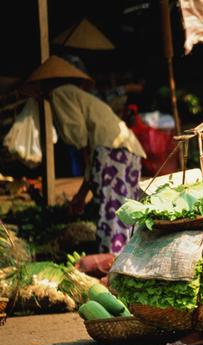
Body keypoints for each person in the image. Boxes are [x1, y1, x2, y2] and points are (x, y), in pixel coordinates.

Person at [22, 55, 147, 255]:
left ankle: (112, 263)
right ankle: (126, 258)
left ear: (44, 85)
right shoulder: (75, 94)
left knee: (112, 211)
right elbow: (90, 161)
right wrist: (80, 196)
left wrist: (84, 169)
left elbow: (77, 135)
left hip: (111, 150)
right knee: (125, 210)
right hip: (126, 150)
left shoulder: (59, 94)